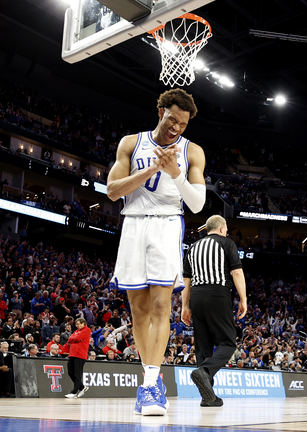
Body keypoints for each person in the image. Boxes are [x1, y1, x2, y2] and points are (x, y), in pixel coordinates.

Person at [106, 88, 206, 416]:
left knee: (162, 305)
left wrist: (175, 173)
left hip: (166, 224)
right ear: (160, 109)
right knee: (139, 310)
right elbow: (112, 191)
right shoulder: (131, 143)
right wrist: (150, 170)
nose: (177, 127)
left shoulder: (193, 153)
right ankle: (152, 377)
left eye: (183, 123)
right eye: (172, 119)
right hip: (133, 223)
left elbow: (197, 204)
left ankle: (149, 386)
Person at [181, 215, 247, 408]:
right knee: (228, 342)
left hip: (196, 297)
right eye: (226, 230)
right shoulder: (226, 243)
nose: (226, 233)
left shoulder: (192, 248)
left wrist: (185, 306)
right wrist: (243, 299)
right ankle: (206, 371)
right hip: (218, 293)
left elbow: (187, 280)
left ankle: (208, 396)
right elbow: (236, 272)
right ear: (221, 229)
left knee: (203, 347)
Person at [65, 318, 91, 399]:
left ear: (83, 323)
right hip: (72, 353)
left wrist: (75, 338)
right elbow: (69, 339)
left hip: (80, 354)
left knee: (77, 373)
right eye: (76, 324)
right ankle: (82, 387)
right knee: (70, 372)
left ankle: (74, 392)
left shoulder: (87, 330)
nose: (77, 326)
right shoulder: (76, 331)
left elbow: (75, 338)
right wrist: (75, 338)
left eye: (79, 324)